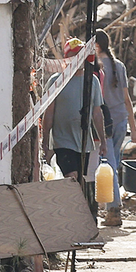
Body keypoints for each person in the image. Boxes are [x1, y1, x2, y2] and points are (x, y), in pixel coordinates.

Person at [42, 37, 106, 196]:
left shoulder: (92, 81)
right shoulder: (56, 81)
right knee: (71, 176)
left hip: (84, 142)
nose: (78, 60)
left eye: (81, 56)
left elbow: (97, 114)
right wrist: (45, 141)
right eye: (75, 56)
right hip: (62, 139)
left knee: (78, 180)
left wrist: (103, 141)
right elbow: (49, 113)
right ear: (67, 59)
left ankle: (76, 208)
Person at [94, 29, 136, 227]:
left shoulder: (95, 66)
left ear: (96, 46)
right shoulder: (119, 66)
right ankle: (110, 206)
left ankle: (113, 210)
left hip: (105, 122)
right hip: (121, 119)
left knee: (108, 164)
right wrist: (134, 128)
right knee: (113, 162)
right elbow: (127, 99)